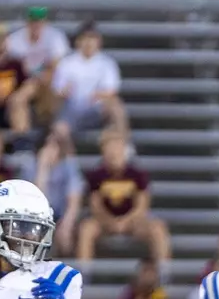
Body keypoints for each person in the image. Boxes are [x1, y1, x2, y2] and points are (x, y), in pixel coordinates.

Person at [77, 129, 171, 263]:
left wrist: (126, 222)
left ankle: (163, 275)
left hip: (133, 223)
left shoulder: (138, 174)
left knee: (158, 229)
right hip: (104, 222)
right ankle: (83, 276)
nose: (113, 152)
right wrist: (111, 222)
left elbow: (142, 205)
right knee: (86, 229)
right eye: (109, 147)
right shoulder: (96, 176)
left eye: (117, 146)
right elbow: (95, 206)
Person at [51, 22, 126, 137]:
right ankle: (69, 154)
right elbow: (57, 89)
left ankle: (124, 144)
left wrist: (98, 95)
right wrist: (64, 92)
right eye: (85, 38)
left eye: (92, 38)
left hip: (97, 110)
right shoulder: (66, 63)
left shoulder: (107, 63)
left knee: (116, 107)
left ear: (99, 41)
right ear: (78, 41)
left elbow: (111, 90)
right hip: (72, 109)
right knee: (60, 130)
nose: (89, 42)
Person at [32, 126, 84, 256]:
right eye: (47, 146)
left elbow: (74, 201)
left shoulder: (69, 165)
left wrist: (66, 224)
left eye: (54, 146)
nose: (50, 151)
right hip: (37, 216)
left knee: (67, 234)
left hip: (63, 214)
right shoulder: (30, 166)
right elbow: (35, 202)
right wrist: (42, 169)